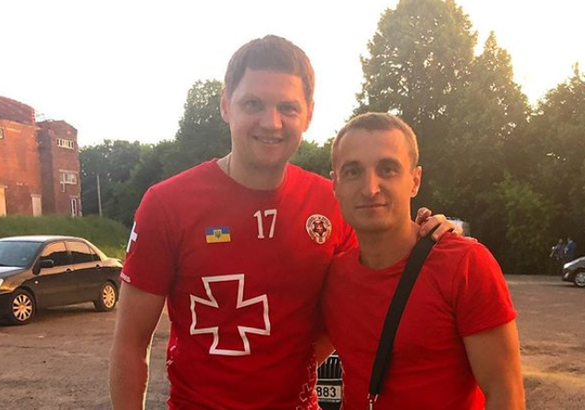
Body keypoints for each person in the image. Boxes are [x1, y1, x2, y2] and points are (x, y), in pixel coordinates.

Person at [109, 36, 457, 410]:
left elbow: (378, 282)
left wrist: (432, 236)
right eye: (253, 104)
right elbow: (131, 343)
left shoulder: (334, 203)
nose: (271, 122)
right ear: (226, 105)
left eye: (287, 107)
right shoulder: (167, 205)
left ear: (308, 114)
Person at [323, 113, 525, 410]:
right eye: (353, 171)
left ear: (414, 181)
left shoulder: (464, 264)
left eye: (388, 169)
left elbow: (506, 396)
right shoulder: (335, 277)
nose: (370, 188)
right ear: (335, 184)